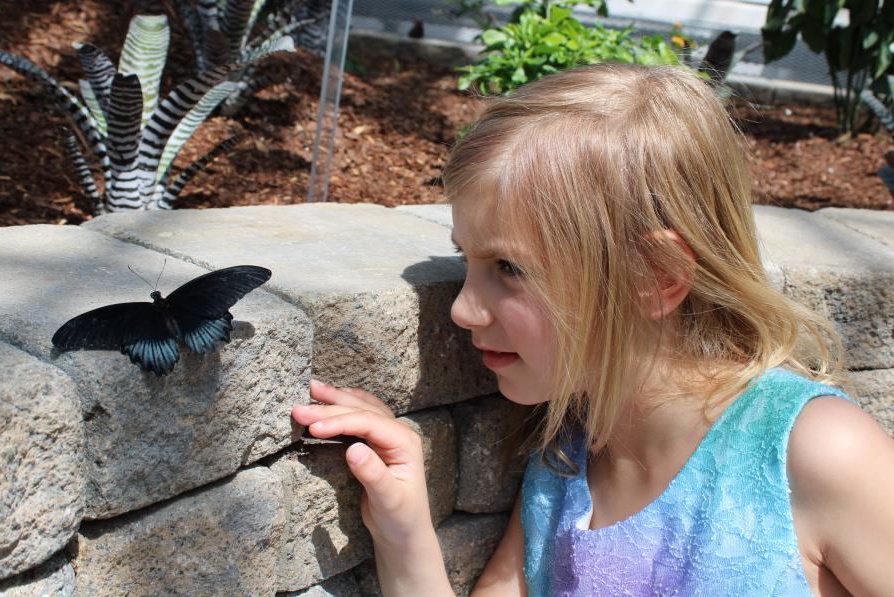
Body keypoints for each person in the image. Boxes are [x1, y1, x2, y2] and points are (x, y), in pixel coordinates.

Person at [291, 64, 894, 596]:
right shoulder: (562, 470)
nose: (464, 310)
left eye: (510, 268)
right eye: (466, 262)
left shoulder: (817, 454)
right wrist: (403, 528)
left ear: (654, 277)